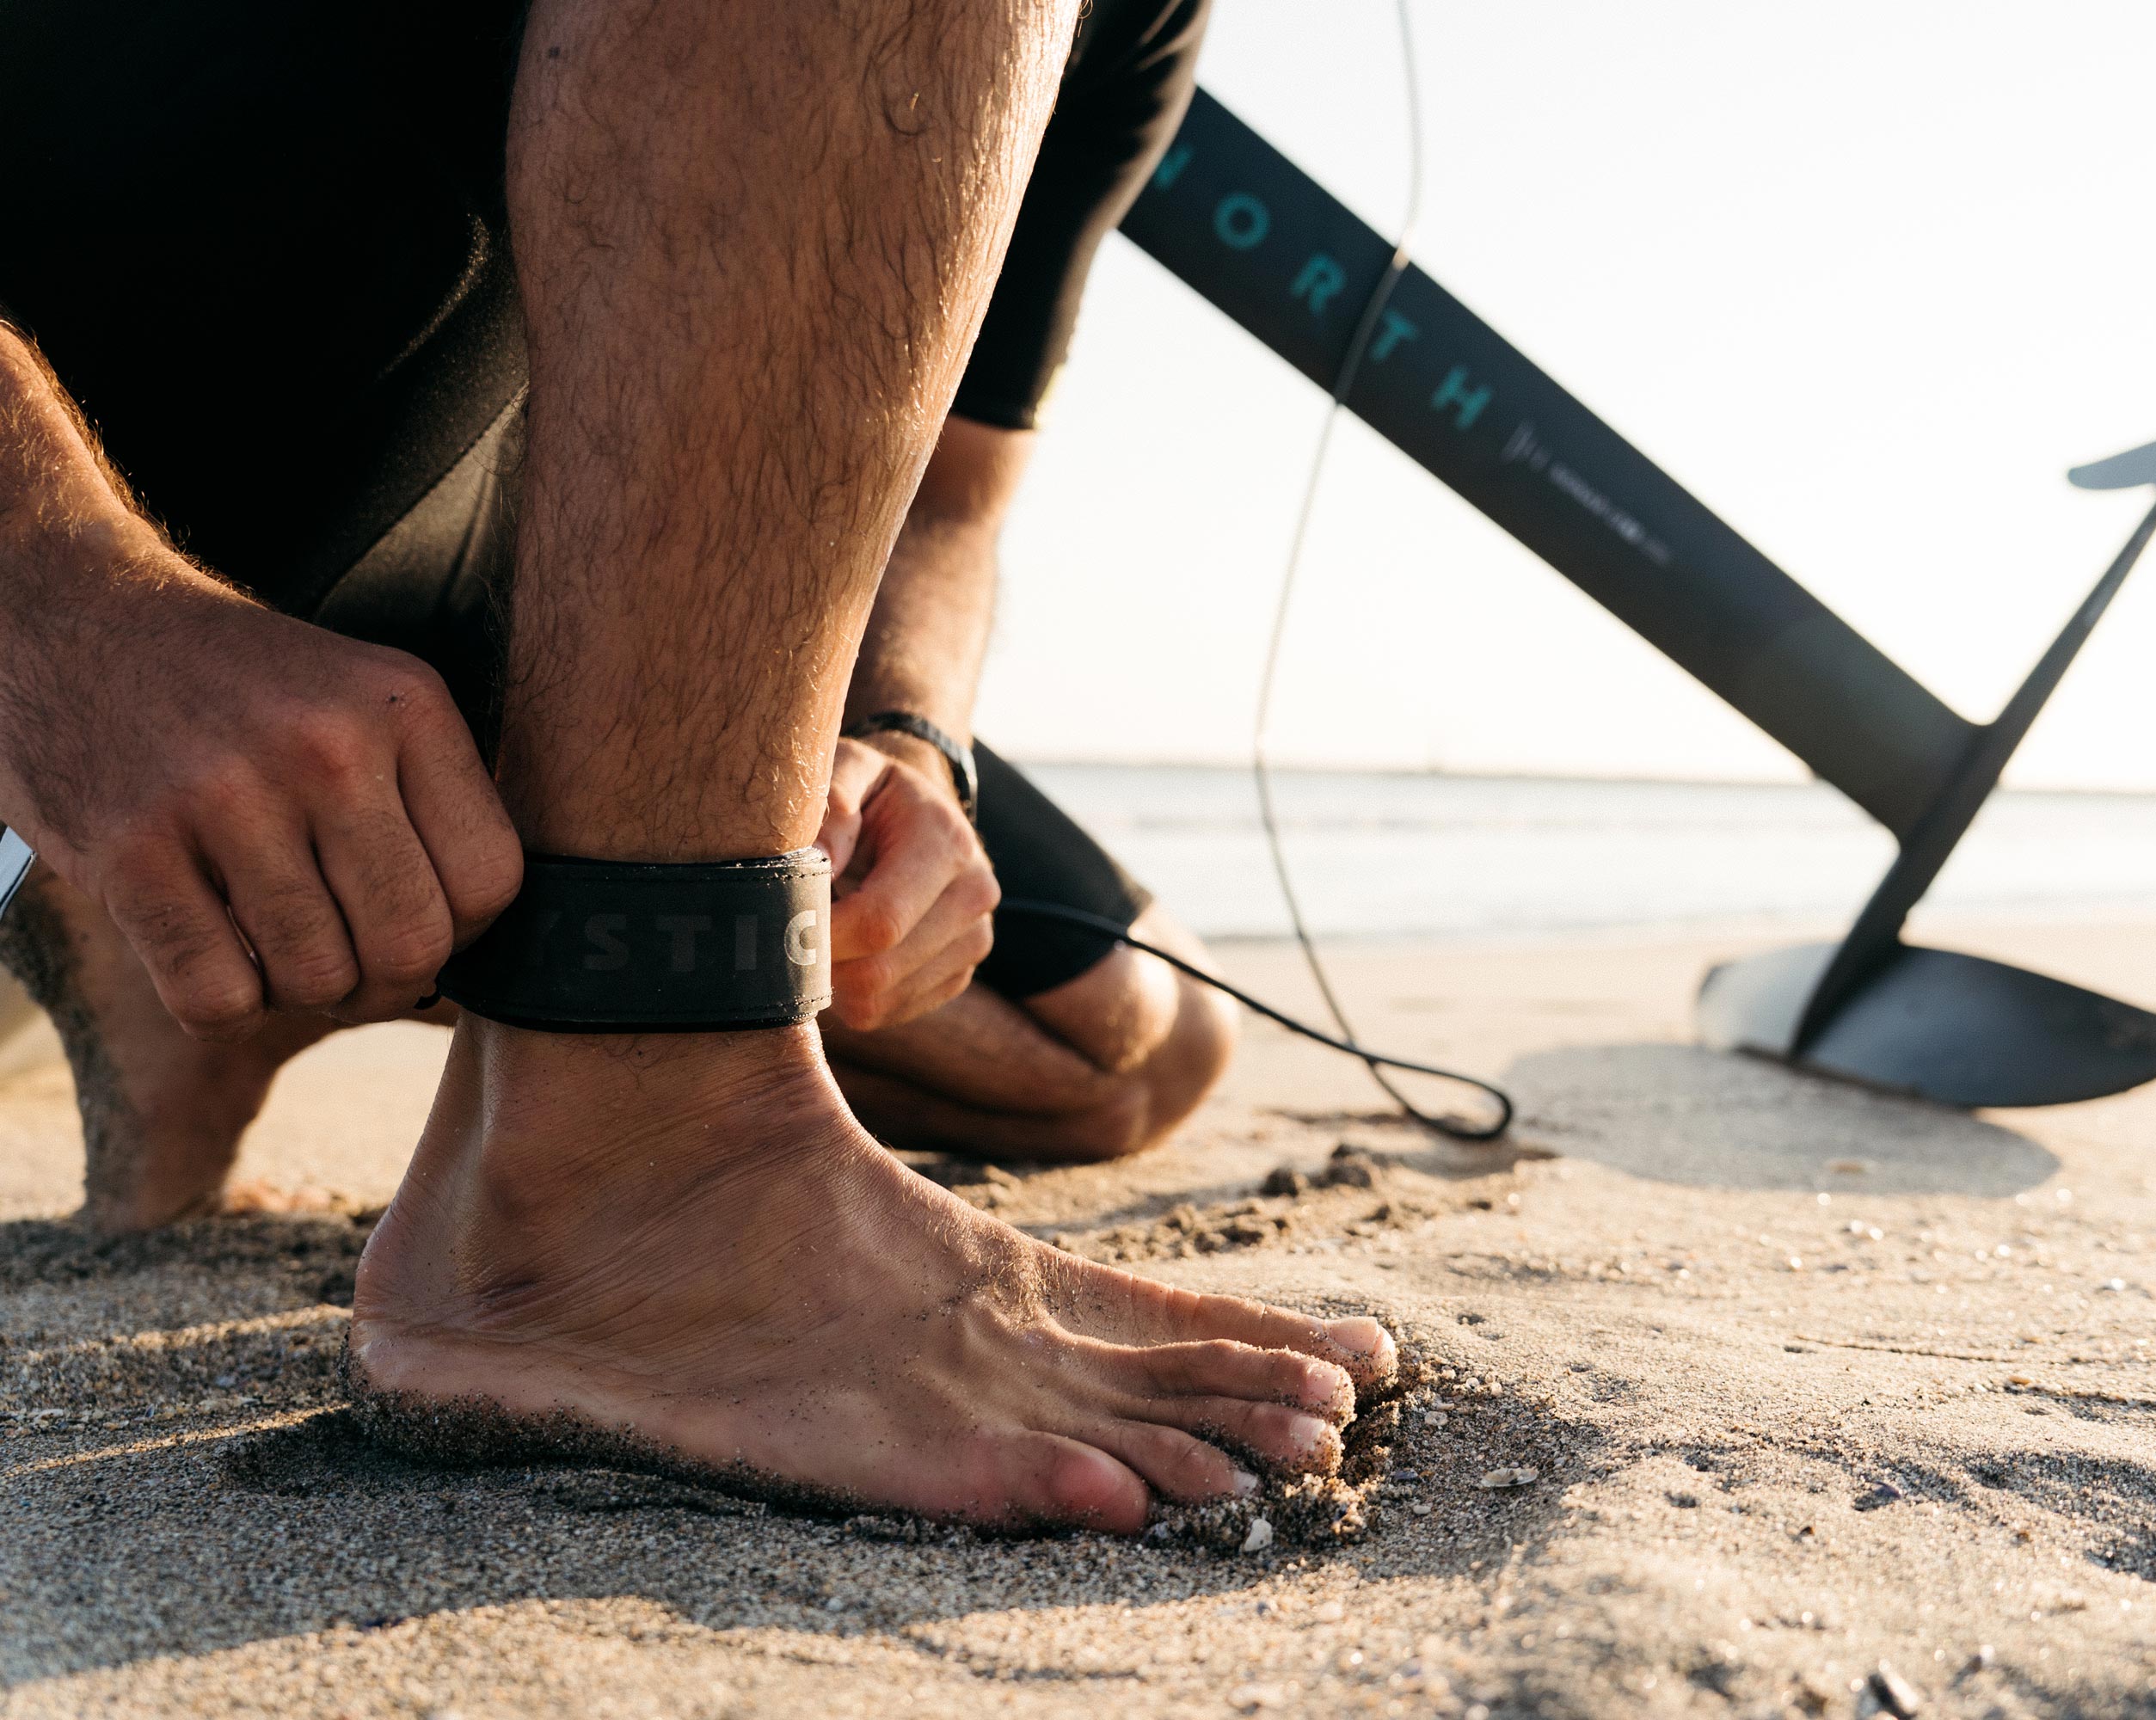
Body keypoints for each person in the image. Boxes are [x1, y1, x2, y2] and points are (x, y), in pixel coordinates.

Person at [0, 0, 1394, 1527]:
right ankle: (632, 1158)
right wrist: (67, 620)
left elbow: (952, 499)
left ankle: (257, 941)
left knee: (1132, 1046)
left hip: (519, 530)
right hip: (81, 407)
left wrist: (906, 737)